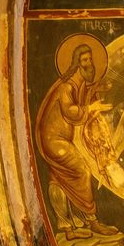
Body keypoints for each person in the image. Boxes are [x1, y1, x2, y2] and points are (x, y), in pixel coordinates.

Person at [35, 40, 110, 221]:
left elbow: (83, 98)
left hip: (62, 139)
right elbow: (71, 111)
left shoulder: (80, 84)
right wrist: (91, 108)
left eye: (90, 60)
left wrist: (99, 89)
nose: (89, 64)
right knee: (83, 171)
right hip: (54, 139)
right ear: (76, 63)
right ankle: (91, 219)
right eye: (84, 60)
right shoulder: (66, 86)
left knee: (58, 177)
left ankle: (66, 224)